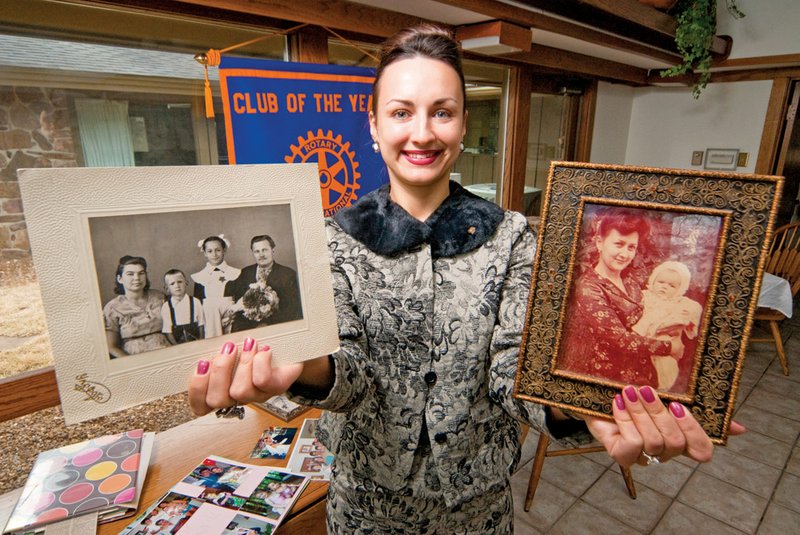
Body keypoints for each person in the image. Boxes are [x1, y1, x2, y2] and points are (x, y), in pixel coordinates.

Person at [189, 24, 743, 534]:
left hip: (476, 509)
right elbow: (350, 375)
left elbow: (511, 369)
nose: (422, 133)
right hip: (365, 507)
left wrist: (581, 403)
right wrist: (301, 365)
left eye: (443, 112)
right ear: (375, 125)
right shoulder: (334, 240)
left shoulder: (511, 238)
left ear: (462, 124)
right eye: (402, 112)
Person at [557, 208, 679, 387]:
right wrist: (669, 347)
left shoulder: (629, 278)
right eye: (619, 244)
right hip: (609, 380)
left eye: (632, 247)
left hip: (644, 374)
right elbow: (620, 340)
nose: (625, 254)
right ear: (599, 242)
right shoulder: (589, 288)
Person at [633, 260, 704, 391]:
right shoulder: (645, 296)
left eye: (672, 286)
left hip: (665, 340)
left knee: (665, 367)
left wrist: (686, 319)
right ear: (653, 280)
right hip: (643, 339)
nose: (664, 287)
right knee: (639, 366)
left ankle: (662, 388)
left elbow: (695, 309)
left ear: (680, 289)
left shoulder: (680, 302)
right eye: (661, 282)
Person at [224, 234, 303, 332]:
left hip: (276, 325)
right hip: (248, 326)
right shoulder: (246, 272)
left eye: (264, 250)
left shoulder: (288, 274)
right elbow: (233, 291)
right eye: (257, 251)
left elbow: (292, 309)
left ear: (272, 250)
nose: (261, 255)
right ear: (253, 253)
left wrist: (267, 324)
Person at [103, 255, 169, 358]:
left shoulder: (160, 297)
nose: (137, 278)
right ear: (120, 279)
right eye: (130, 274)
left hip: (166, 351)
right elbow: (111, 346)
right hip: (133, 357)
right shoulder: (112, 308)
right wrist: (132, 363)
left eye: (141, 273)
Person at [191, 235, 241, 338]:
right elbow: (198, 304)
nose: (214, 254)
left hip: (232, 318)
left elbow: (240, 299)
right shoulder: (200, 277)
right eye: (210, 251)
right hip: (208, 321)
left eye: (217, 250)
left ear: (224, 250)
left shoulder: (235, 273)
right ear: (205, 253)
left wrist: (230, 317)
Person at [161, 269, 205, 345]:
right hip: (177, 343)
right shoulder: (166, 307)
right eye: (172, 284)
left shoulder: (195, 302)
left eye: (180, 282)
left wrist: (200, 342)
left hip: (196, 341)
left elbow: (201, 325)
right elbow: (168, 331)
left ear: (186, 283)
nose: (177, 286)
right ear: (167, 288)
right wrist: (177, 347)